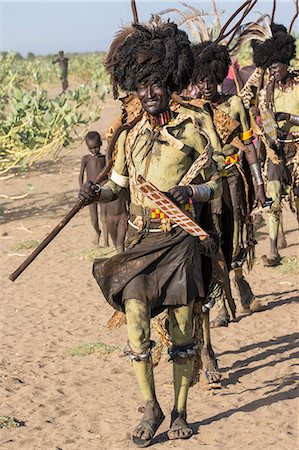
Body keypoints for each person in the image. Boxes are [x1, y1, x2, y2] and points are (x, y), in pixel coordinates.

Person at [79, 21, 223, 446]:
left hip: (179, 242)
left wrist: (190, 190)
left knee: (182, 334)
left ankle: (179, 411)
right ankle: (150, 405)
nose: (149, 93)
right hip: (141, 244)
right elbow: (118, 186)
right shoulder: (130, 136)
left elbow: (214, 182)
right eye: (142, 86)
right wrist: (94, 193)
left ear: (168, 83)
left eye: (155, 84)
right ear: (136, 89)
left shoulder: (194, 129)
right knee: (136, 319)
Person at [192, 41, 266, 326]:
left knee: (234, 233)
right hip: (206, 183)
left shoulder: (234, 105)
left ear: (220, 77)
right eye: (202, 81)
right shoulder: (195, 111)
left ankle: (239, 280)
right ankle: (223, 302)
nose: (207, 86)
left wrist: (258, 186)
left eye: (212, 80)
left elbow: (248, 146)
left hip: (233, 179)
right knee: (214, 236)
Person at [252, 23, 299, 266]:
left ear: (285, 62)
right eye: (269, 67)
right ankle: (272, 250)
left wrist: (290, 118)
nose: (273, 70)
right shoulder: (266, 92)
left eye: (276, 66)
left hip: (298, 148)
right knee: (273, 196)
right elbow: (264, 120)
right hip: (276, 151)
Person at [79, 131, 128, 251]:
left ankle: (106, 242)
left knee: (104, 217)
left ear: (101, 144)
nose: (94, 150)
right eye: (91, 148)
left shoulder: (105, 159)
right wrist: (82, 189)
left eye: (96, 147)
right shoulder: (86, 159)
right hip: (90, 193)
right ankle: (97, 232)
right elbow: (80, 176)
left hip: (103, 191)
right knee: (93, 218)